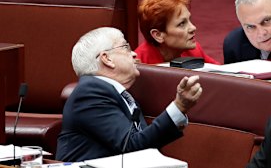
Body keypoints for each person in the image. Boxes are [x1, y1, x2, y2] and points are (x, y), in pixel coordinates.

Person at [56, 27, 203, 162]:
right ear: (107, 58)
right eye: (126, 47)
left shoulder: (117, 93)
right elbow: (131, 146)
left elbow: (142, 145)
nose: (134, 53)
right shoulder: (89, 93)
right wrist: (179, 107)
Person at [135, 0, 219, 65]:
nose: (193, 28)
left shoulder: (194, 50)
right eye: (181, 24)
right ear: (158, 35)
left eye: (189, 20)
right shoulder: (139, 63)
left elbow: (222, 74)